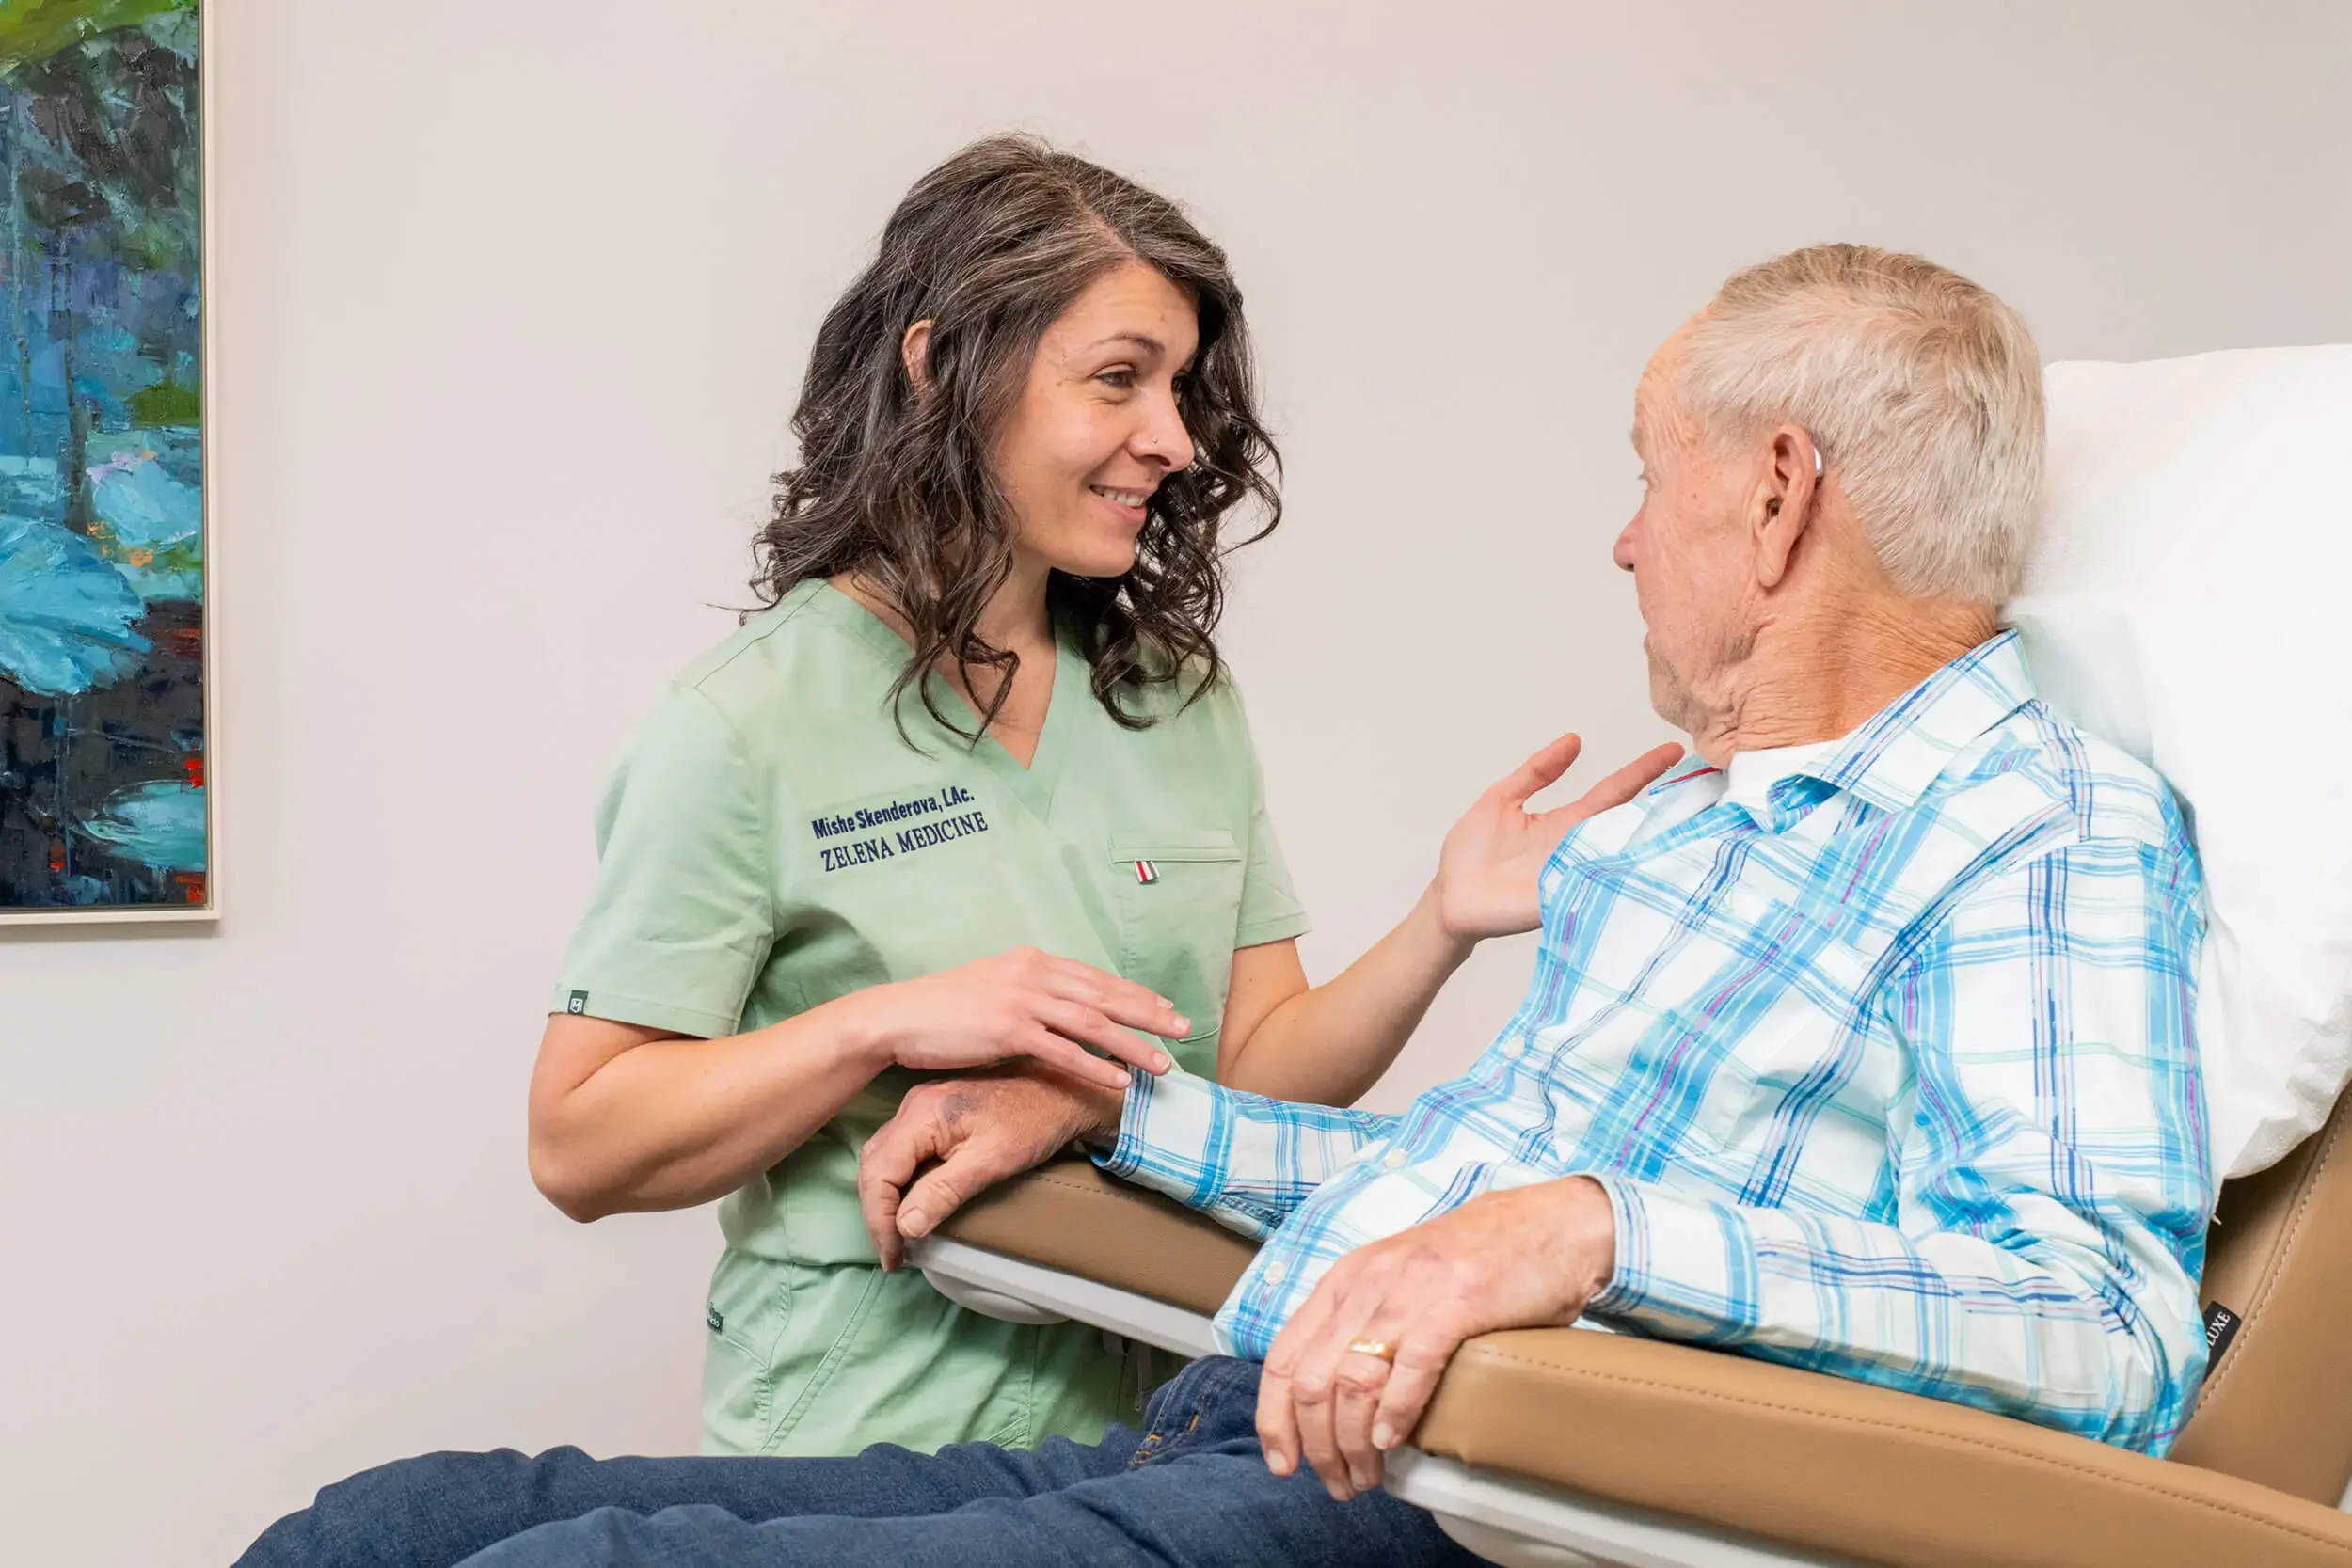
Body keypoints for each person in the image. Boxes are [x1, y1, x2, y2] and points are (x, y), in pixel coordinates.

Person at [238, 244, 2214, 1568]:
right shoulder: (1681, 832)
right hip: (1248, 1411)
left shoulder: (2034, 824)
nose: (1623, 536)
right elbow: (1435, 1175)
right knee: (407, 1518)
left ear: (1775, 496)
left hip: (1478, 1496)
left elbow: (2102, 1324)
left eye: (1646, 477)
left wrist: (1583, 1228)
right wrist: (1122, 1114)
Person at [522, 131, 1680, 1462]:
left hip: (1147, 1426)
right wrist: (883, 1021)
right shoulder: (743, 725)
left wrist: (1442, 922)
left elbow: (1247, 1070)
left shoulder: (1174, 699)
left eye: (1180, 387)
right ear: (941, 368)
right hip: (859, 1443)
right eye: (1119, 380)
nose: (1173, 439)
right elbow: (581, 1139)